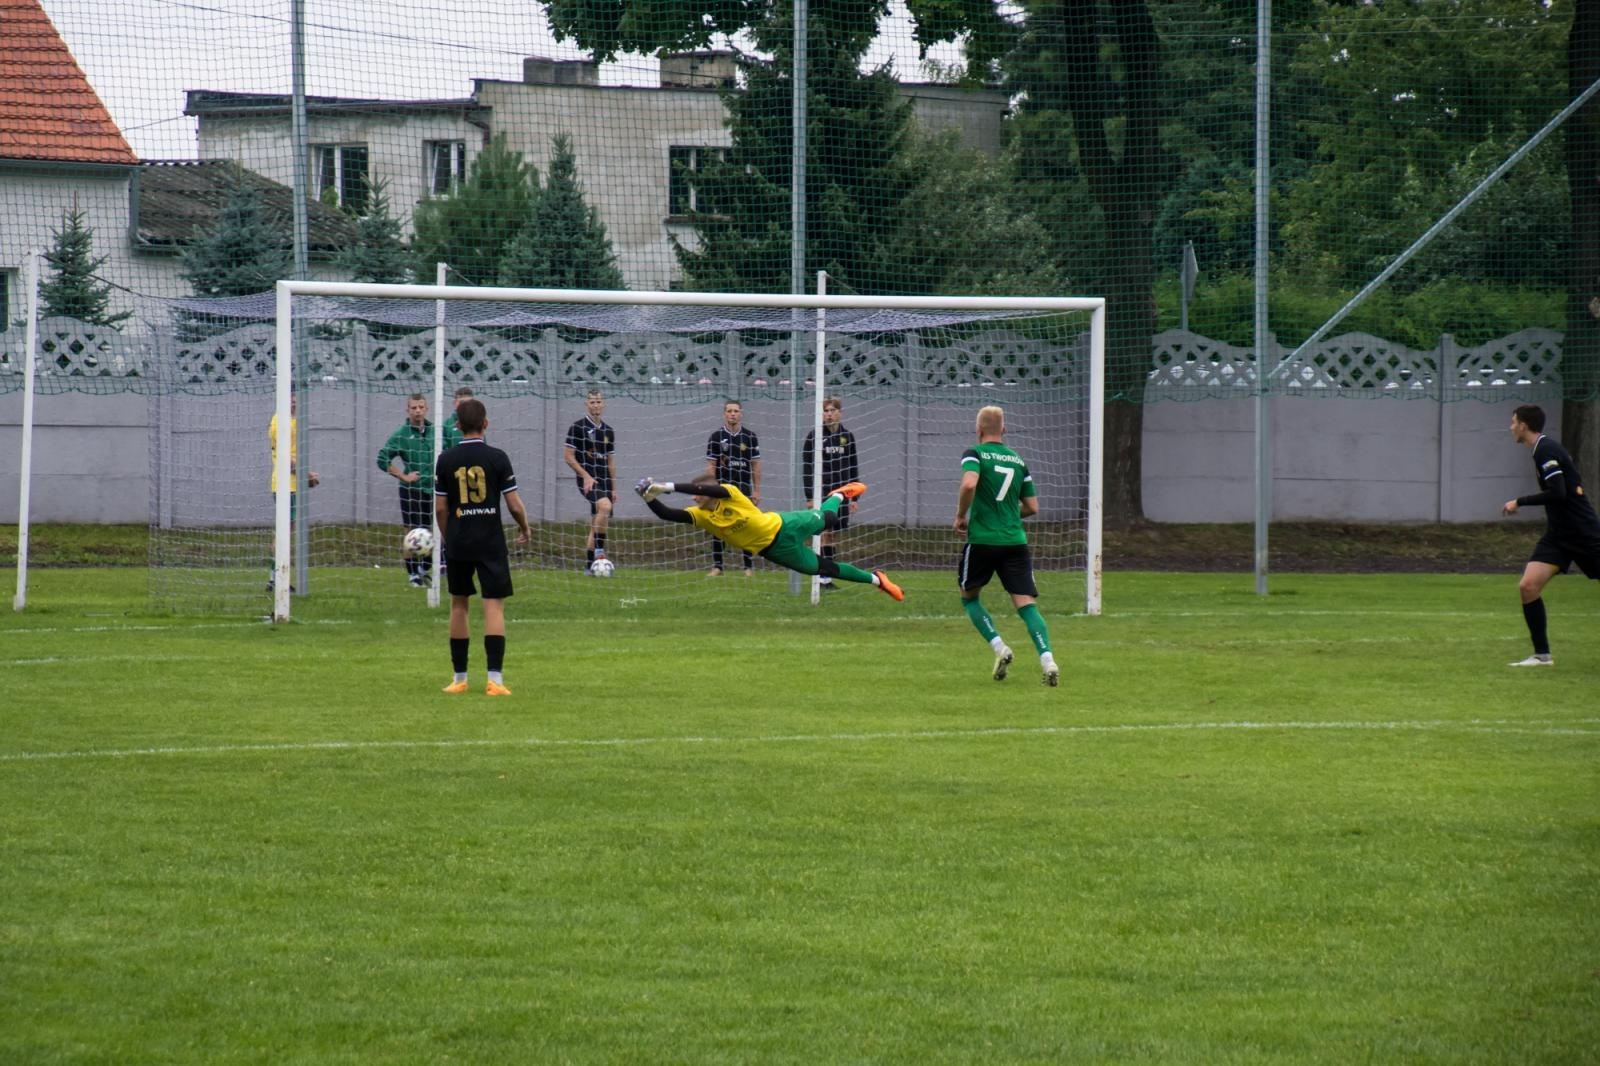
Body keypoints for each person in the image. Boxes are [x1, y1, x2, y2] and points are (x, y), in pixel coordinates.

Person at [634, 476, 903, 600]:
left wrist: (666, 486)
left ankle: (840, 494)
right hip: (774, 550)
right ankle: (878, 580)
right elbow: (668, 514)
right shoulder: (701, 515)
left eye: (698, 494)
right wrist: (649, 498)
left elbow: (701, 486)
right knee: (824, 569)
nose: (694, 498)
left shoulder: (730, 492)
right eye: (694, 495)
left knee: (829, 520)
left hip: (785, 525)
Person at [955, 405, 1059, 686]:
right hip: (1015, 542)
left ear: (978, 430)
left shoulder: (974, 454)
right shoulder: (1017, 459)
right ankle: (1047, 659)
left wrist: (960, 516)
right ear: (1004, 430)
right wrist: (1011, 516)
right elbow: (1033, 507)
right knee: (1026, 605)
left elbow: (968, 484)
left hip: (982, 541)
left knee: (969, 598)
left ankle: (1000, 647)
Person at [434, 398, 531, 696]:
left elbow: (440, 508)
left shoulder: (445, 459)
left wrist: (449, 537)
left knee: (459, 604)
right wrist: (525, 527)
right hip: (490, 540)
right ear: (486, 423)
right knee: (493, 605)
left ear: (458, 426)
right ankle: (495, 681)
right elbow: (513, 504)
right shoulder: (498, 457)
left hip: (460, 540)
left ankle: (459, 679)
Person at [1500, 404, 1600, 667]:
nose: (1511, 427)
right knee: (1528, 586)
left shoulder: (1546, 450)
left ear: (1523, 425)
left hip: (1583, 534)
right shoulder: (1540, 451)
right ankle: (1542, 656)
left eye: (1513, 422)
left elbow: (1558, 492)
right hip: (1558, 536)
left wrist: (1518, 502)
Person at [376, 393, 437, 587]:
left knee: (429, 532)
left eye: (421, 407)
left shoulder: (435, 432)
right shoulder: (401, 434)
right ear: (408, 410)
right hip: (411, 491)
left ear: (426, 409)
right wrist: (403, 476)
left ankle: (423, 569)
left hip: (432, 489)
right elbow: (382, 459)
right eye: (414, 408)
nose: (418, 411)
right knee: (412, 533)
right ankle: (412, 574)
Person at [802, 396, 860, 590]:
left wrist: (854, 497)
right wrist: (809, 496)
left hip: (842, 493)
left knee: (833, 534)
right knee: (824, 533)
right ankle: (821, 578)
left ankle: (824, 576)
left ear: (839, 413)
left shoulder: (847, 437)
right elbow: (807, 468)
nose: (828, 414)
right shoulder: (815, 436)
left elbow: (853, 467)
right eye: (825, 411)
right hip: (823, 493)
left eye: (832, 410)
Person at [704, 399, 762, 576]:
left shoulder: (750, 437)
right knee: (718, 524)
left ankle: (748, 566)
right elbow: (711, 466)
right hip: (722, 489)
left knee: (745, 524)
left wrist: (757, 490)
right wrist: (710, 489)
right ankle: (718, 566)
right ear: (724, 414)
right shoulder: (716, 437)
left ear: (741, 413)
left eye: (736, 411)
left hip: (743, 488)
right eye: (729, 411)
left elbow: (756, 465)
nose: (732, 414)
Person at [267, 394, 318, 591]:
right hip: (283, 485)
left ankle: (276, 578)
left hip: (293, 485)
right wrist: (306, 474)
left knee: (286, 533)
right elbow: (284, 459)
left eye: (296, 397)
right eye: (290, 397)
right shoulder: (279, 422)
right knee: (283, 534)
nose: (294, 401)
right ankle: (275, 578)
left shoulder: (296, 420)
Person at [563, 388, 617, 573]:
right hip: (588, 481)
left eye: (598, 401)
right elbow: (568, 456)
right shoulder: (577, 427)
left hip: (605, 481)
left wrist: (614, 488)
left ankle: (589, 566)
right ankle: (599, 554)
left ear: (604, 404)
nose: (596, 405)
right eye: (592, 402)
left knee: (598, 522)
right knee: (605, 507)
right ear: (587, 404)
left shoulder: (609, 431)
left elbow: (610, 461)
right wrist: (585, 476)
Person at [441, 385, 474, 451]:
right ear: (455, 403)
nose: (465, 406)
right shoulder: (446, 425)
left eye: (468, 403)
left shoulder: (477, 423)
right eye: (462, 402)